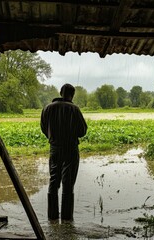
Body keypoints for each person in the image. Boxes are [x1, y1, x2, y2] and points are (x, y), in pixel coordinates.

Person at [40, 83, 87, 221]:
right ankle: (67, 218)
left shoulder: (47, 108)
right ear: (72, 95)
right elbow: (82, 131)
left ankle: (52, 216)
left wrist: (54, 137)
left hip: (54, 149)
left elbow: (44, 128)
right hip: (71, 150)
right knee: (68, 183)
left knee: (53, 181)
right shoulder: (74, 109)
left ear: (61, 93)